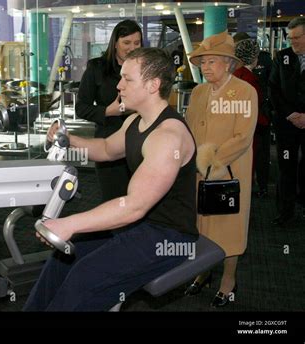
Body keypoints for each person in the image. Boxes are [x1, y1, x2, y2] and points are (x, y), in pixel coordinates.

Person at [23, 47, 198, 311]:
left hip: (169, 236)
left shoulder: (167, 137)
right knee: (62, 259)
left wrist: (70, 224)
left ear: (153, 85)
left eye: (128, 79)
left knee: (85, 277)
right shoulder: (135, 122)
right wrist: (68, 138)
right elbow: (105, 149)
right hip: (139, 224)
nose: (119, 85)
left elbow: (134, 206)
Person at [184, 31, 258, 307]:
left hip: (229, 174)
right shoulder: (199, 91)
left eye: (211, 61)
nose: (205, 67)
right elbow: (191, 129)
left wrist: (211, 162)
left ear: (228, 63)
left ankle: (228, 280)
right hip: (198, 175)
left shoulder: (245, 91)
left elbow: (243, 137)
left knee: (228, 229)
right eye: (202, 62)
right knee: (202, 226)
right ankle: (203, 271)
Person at [75, 19, 143, 202]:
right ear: (115, 43)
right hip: (108, 142)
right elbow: (81, 108)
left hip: (141, 141)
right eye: (126, 43)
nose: (132, 48)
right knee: (114, 201)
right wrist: (108, 111)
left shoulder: (145, 69)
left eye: (137, 43)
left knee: (140, 200)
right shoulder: (96, 67)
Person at [269, 17, 305, 225]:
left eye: (298, 37)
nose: (294, 42)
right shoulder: (282, 57)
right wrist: (291, 115)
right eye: (291, 38)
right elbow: (273, 90)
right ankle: (285, 212)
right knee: (286, 168)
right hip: (286, 124)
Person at [234, 32, 272, 198]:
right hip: (251, 133)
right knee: (246, 170)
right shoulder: (249, 81)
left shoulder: (235, 76)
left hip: (237, 132)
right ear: (254, 57)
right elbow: (252, 110)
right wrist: (266, 122)